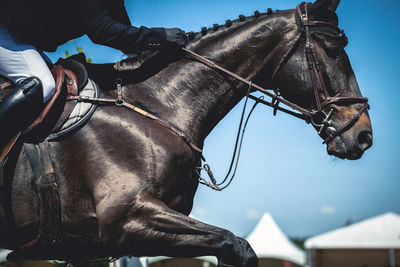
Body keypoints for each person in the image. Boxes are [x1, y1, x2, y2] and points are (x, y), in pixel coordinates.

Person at [0, 0, 187, 156]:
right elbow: (103, 31)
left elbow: (126, 37)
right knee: (43, 84)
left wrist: (166, 47)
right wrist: (162, 36)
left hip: (19, 35)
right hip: (4, 30)